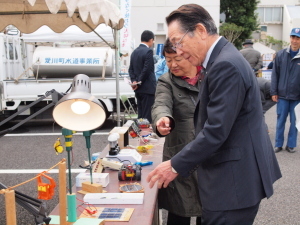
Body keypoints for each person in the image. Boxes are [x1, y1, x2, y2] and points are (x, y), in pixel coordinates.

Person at [147, 4, 281, 225]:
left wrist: (173, 165)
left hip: (232, 184)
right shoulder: (222, 59)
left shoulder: (224, 65)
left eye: (179, 42)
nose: (178, 51)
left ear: (200, 30)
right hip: (234, 179)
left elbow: (216, 131)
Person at [152, 38, 202, 225]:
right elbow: (161, 104)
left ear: (190, 56)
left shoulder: (209, 76)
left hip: (207, 154)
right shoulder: (166, 81)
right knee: (179, 213)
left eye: (177, 59)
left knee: (208, 213)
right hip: (179, 156)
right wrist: (162, 119)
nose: (172, 64)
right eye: (168, 59)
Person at [271, 28, 300, 154]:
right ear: (290, 38)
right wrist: (273, 92)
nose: (294, 40)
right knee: (280, 120)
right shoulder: (281, 54)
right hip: (282, 95)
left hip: (297, 96)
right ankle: (278, 144)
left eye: (297, 38)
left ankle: (291, 145)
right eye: (293, 37)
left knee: (295, 122)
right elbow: (274, 74)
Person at [129, 30, 156, 123]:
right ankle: (146, 135)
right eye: (153, 41)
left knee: (140, 113)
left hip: (138, 89)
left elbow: (131, 69)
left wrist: (134, 81)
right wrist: (139, 82)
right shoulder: (148, 51)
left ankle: (140, 133)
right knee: (147, 114)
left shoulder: (134, 52)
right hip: (147, 88)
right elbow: (147, 70)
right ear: (151, 40)